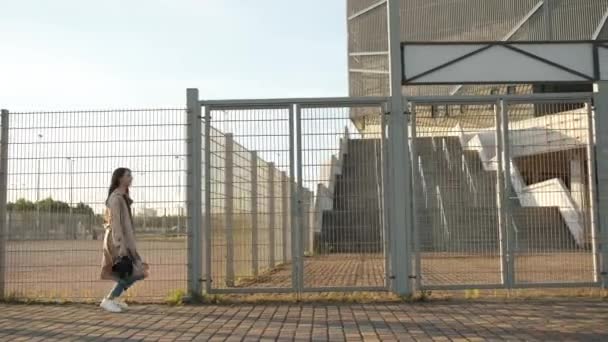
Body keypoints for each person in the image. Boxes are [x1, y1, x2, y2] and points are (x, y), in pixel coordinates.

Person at [99, 168, 149, 313]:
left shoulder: (122, 197)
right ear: (120, 179)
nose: (131, 178)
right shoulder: (116, 198)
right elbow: (116, 224)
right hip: (117, 240)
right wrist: (120, 245)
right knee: (133, 270)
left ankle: (112, 298)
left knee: (132, 271)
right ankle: (109, 300)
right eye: (128, 175)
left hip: (121, 240)